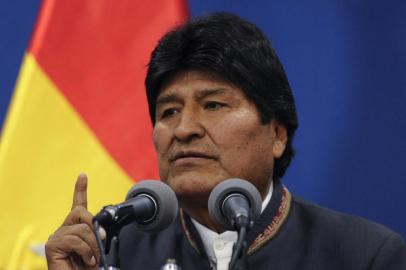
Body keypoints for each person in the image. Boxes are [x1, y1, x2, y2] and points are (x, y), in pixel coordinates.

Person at [45, 12, 406, 270]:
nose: (184, 129)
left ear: (277, 134)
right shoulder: (115, 255)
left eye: (213, 105)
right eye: (168, 112)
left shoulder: (365, 255)